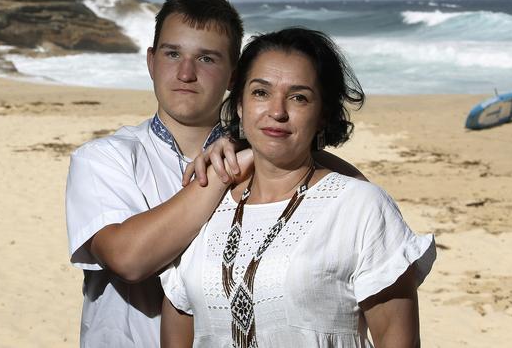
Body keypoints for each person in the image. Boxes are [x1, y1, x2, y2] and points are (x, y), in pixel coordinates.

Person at [65, 0, 365, 347]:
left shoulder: (269, 163)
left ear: (233, 77)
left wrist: (259, 151)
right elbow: (128, 259)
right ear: (151, 61)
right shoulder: (105, 158)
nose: (186, 73)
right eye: (172, 53)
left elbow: (361, 210)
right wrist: (234, 166)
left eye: (206, 58)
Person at [159, 28, 436, 348]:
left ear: (322, 115)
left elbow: (396, 338)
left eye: (299, 97)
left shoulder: (360, 206)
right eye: (261, 93)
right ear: (239, 104)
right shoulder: (206, 205)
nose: (277, 111)